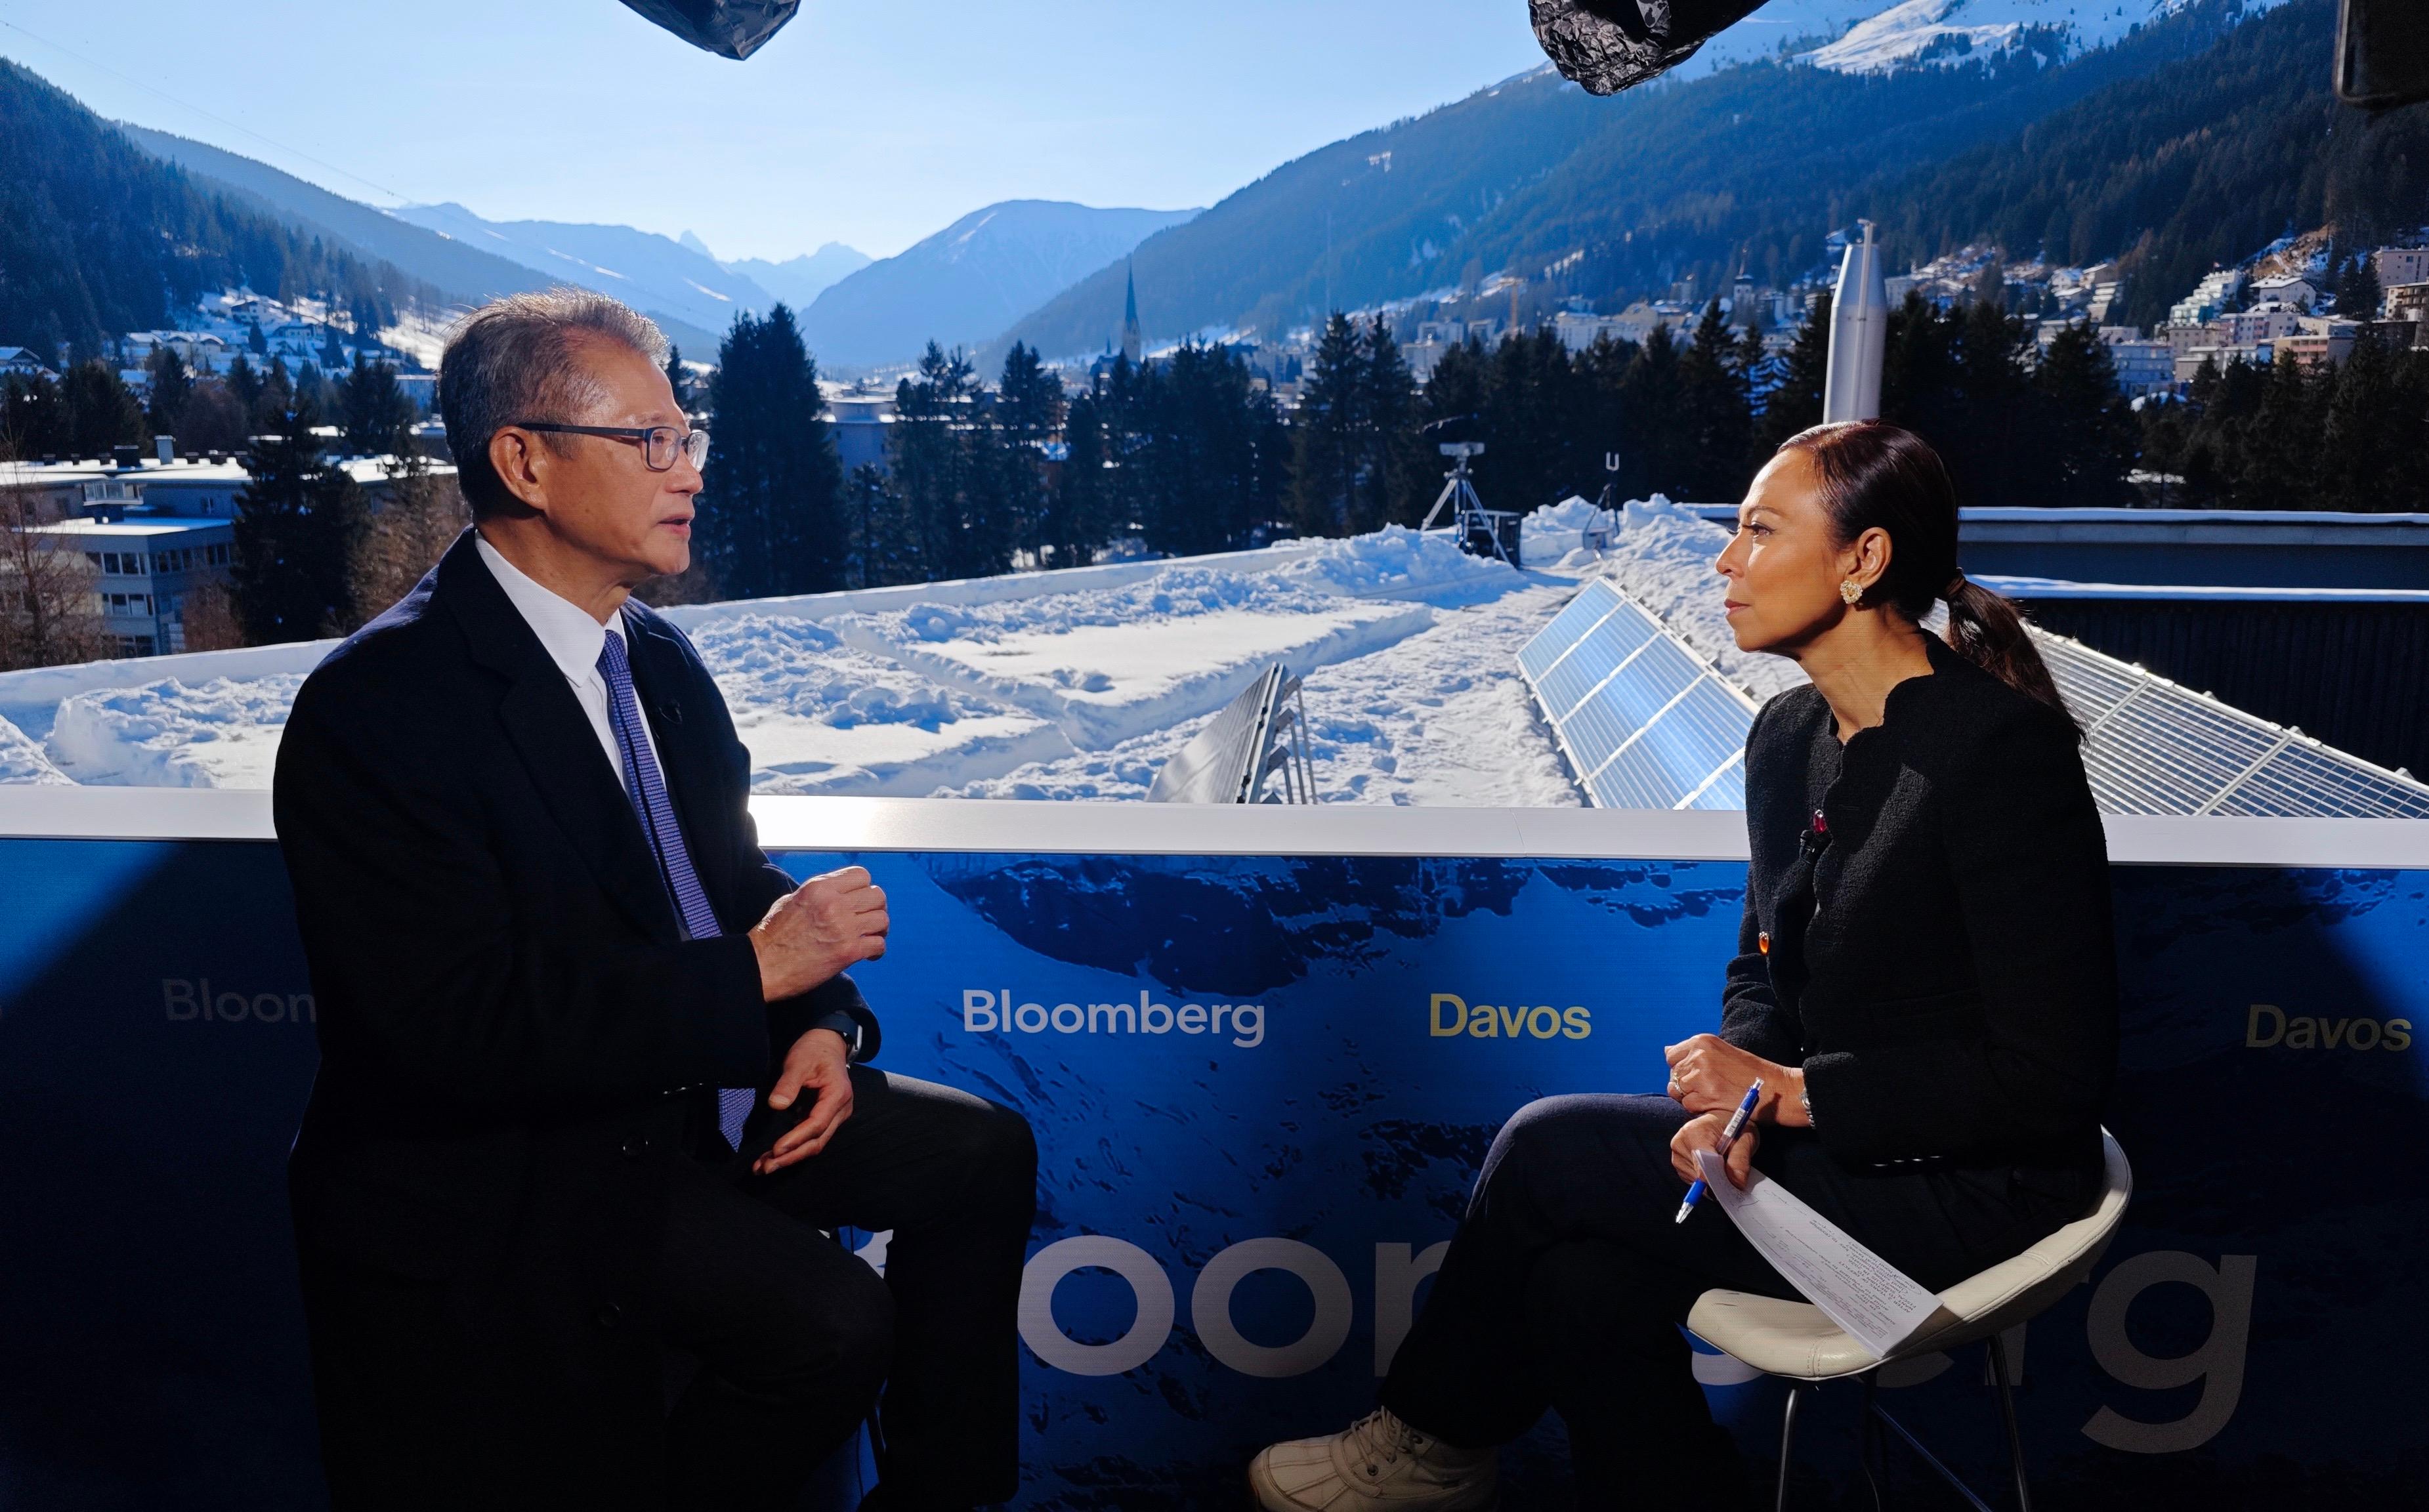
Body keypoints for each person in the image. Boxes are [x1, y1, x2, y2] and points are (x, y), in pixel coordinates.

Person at [1248, 421, 2117, 1510]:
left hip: (1969, 1192)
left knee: (1547, 1149)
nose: (1724, 561)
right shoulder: (1788, 734)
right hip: (1834, 1160)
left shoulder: (2000, 758)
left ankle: (1426, 1443)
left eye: (1759, 531)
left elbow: (2050, 1077)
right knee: (1577, 1280)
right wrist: (1745, 1098)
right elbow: (1761, 964)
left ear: (1864, 562)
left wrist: (1800, 1099)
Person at [272, 289, 1036, 1512]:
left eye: (689, 437)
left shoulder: (655, 658)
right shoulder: (381, 709)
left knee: (980, 1154)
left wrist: (819, 1029)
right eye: (652, 442)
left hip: (678, 1100)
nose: (688, 472)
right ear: (523, 460)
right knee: (830, 1325)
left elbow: (729, 887)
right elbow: (447, 1032)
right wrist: (757, 980)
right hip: (511, 1168)